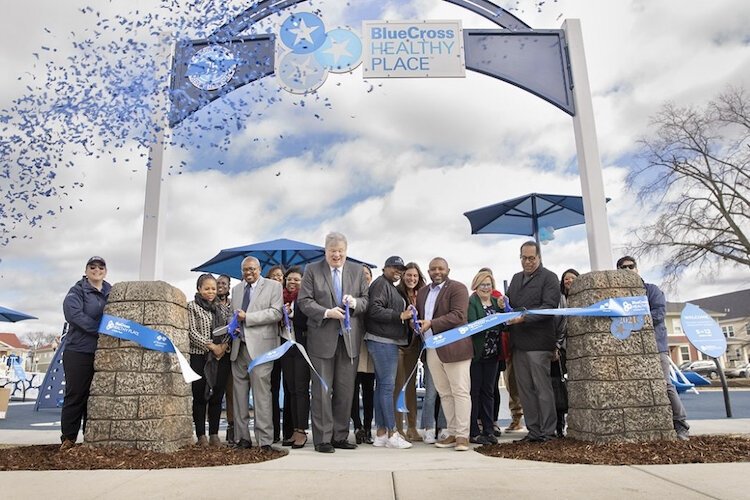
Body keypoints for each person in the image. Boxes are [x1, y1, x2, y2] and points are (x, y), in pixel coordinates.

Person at [298, 232, 369, 453]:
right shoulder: (312, 270)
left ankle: (340, 436)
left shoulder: (358, 271)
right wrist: (327, 312)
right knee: (321, 391)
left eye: (340, 251)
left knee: (346, 391)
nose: (336, 255)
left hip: (349, 341)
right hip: (321, 340)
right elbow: (304, 301)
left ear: (346, 252)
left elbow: (367, 302)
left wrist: (355, 302)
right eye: (332, 251)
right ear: (325, 251)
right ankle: (323, 439)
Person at [616, 256, 690, 440]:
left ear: (637, 269)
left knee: (666, 385)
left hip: (656, 347)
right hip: (629, 350)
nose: (626, 270)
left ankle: (681, 425)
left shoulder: (652, 290)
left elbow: (659, 313)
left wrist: (635, 320)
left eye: (630, 266)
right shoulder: (619, 296)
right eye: (622, 267)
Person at [505, 241, 561, 443]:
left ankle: (548, 432)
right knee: (525, 391)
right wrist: (503, 306)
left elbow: (548, 307)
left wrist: (524, 318)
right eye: (524, 258)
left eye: (531, 258)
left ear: (539, 257)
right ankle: (534, 431)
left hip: (539, 343)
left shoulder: (549, 278)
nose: (527, 262)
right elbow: (510, 306)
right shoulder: (516, 278)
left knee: (542, 390)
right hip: (518, 344)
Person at [415, 257, 471, 452]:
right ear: (428, 272)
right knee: (445, 393)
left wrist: (432, 323)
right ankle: (453, 431)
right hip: (432, 348)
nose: (436, 272)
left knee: (460, 391)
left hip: (455, 347)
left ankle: (463, 435)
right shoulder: (422, 293)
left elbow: (459, 315)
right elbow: (422, 318)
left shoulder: (458, 288)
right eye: (432, 269)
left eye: (440, 268)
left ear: (448, 270)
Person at [229, 256, 283, 450]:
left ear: (259, 269)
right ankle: (242, 438)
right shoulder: (236, 290)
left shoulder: (273, 286)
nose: (249, 273)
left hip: (261, 350)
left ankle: (265, 440)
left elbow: (276, 313)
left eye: (252, 269)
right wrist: (233, 326)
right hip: (239, 348)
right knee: (239, 396)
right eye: (245, 270)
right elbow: (233, 315)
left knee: (262, 396)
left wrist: (248, 318)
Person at [60, 256, 112, 451]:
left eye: (101, 267)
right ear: (86, 269)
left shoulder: (111, 291)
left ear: (105, 271)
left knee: (95, 396)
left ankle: (90, 438)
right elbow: (73, 315)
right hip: (78, 351)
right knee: (76, 394)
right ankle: (69, 438)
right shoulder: (77, 290)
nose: (96, 270)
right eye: (93, 267)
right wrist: (99, 329)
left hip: (101, 353)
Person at [365, 256, 414, 449]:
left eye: (400, 268)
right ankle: (393, 432)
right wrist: (400, 315)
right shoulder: (380, 284)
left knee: (381, 388)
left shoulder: (388, 286)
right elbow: (374, 310)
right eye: (394, 267)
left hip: (385, 340)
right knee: (387, 387)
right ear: (385, 268)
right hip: (382, 341)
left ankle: (381, 433)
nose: (398, 271)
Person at [187, 274, 231, 448]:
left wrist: (223, 346)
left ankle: (214, 434)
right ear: (199, 289)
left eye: (213, 288)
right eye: (207, 288)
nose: (211, 291)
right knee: (200, 396)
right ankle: (201, 436)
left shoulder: (221, 308)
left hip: (221, 357)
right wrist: (212, 346)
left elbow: (229, 329)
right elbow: (191, 331)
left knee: (217, 395)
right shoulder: (192, 307)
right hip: (200, 357)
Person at [467, 270, 503, 445]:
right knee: (474, 392)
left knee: (489, 393)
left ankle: (489, 429)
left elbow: (505, 325)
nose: (486, 288)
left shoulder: (497, 303)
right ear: (476, 285)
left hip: (493, 354)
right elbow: (473, 325)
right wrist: (493, 322)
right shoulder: (472, 302)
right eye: (482, 284)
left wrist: (505, 312)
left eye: (488, 284)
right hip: (477, 354)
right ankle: (473, 430)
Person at [280, 266, 311, 448]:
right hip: (285, 346)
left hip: (301, 346)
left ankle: (301, 430)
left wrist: (291, 313)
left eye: (296, 280)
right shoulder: (281, 298)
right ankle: (293, 429)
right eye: (289, 279)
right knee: (290, 389)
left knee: (300, 389)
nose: (292, 282)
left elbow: (307, 322)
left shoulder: (305, 299)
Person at [394, 262, 425, 442]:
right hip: (399, 344)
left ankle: (412, 426)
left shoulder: (422, 294)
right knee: (398, 387)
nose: (412, 278)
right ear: (403, 276)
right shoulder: (396, 293)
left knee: (411, 387)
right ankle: (399, 428)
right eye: (408, 275)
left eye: (415, 276)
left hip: (414, 345)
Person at [553, 268, 579, 438]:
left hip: (580, 349)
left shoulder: (584, 299)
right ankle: (559, 426)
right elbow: (560, 324)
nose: (568, 281)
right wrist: (557, 344)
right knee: (559, 387)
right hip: (562, 349)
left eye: (572, 278)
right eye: (565, 279)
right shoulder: (560, 300)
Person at [351, 265, 375, 444]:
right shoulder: (351, 295)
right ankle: (357, 426)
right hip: (353, 346)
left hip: (372, 347)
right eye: (360, 274)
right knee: (352, 389)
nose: (364, 277)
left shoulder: (375, 294)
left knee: (369, 390)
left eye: (366, 274)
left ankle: (368, 427)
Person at [265, 265, 285, 444]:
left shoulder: (289, 297)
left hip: (286, 346)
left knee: (287, 387)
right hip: (268, 346)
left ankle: (287, 431)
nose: (278, 278)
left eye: (280, 276)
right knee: (271, 388)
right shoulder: (265, 297)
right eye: (274, 276)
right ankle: (272, 431)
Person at [216, 274, 235, 444]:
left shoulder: (233, 305)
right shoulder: (210, 304)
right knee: (214, 392)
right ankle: (211, 430)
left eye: (224, 283)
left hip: (230, 353)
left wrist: (226, 345)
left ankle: (231, 426)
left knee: (231, 392)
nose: (221, 286)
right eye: (218, 283)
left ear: (229, 287)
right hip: (213, 353)